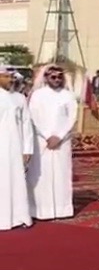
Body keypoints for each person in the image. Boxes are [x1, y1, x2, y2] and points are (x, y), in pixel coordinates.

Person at [27, 64, 78, 221]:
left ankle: (62, 209)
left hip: (62, 141)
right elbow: (34, 117)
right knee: (42, 175)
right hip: (42, 141)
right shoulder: (38, 95)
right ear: (46, 78)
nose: (56, 80)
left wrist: (59, 136)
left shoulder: (68, 95)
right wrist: (48, 136)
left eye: (59, 77)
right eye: (53, 77)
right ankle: (42, 210)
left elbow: (72, 117)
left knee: (62, 173)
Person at [0, 65, 33, 231]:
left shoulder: (20, 98)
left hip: (16, 147)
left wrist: (27, 148)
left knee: (16, 182)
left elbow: (27, 124)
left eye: (12, 77)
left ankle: (19, 217)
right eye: (6, 76)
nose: (10, 80)